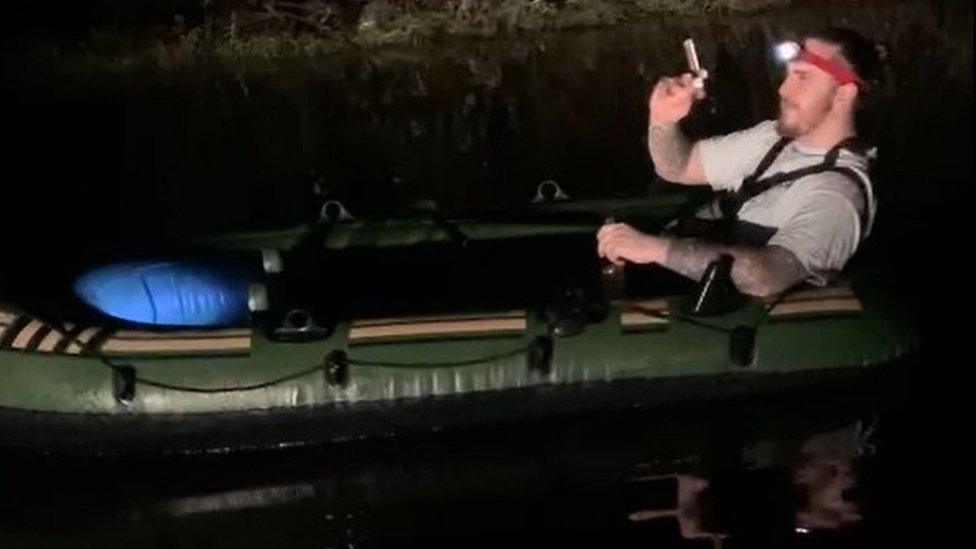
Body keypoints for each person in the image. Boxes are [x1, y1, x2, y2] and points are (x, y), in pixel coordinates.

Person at [597, 28, 882, 297]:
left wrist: (654, 249)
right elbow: (677, 167)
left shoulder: (838, 195)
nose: (784, 89)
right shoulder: (773, 137)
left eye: (803, 77)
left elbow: (766, 277)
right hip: (678, 265)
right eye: (789, 74)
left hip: (713, 315)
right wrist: (663, 119)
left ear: (844, 93)